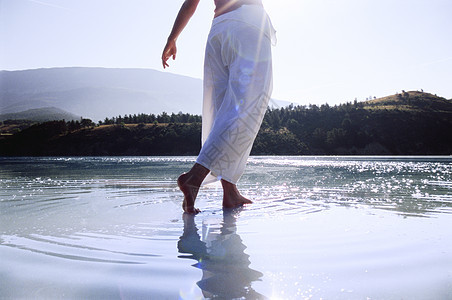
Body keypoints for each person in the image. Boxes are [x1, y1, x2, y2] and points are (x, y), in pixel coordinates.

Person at [162, 0, 275, 213]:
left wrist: (172, 38)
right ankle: (194, 177)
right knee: (245, 107)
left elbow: (190, 4)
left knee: (222, 110)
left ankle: (230, 190)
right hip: (249, 25)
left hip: (219, 28)